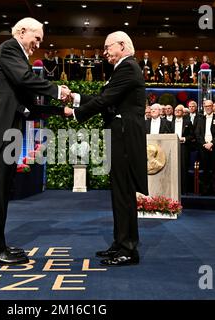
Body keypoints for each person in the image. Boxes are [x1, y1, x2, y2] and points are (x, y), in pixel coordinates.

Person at [0, 17, 71, 266]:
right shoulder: (9, 49)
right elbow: (27, 81)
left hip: (8, 136)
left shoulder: (16, 58)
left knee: (2, 192)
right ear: (22, 31)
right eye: (37, 38)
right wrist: (58, 90)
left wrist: (61, 111)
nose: (38, 44)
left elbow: (28, 105)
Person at [64, 31, 148, 267]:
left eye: (107, 47)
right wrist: (76, 97)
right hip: (118, 136)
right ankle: (120, 243)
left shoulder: (128, 67)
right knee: (119, 193)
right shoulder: (122, 69)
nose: (104, 52)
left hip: (124, 137)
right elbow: (103, 96)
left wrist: (75, 112)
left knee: (123, 194)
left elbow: (105, 101)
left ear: (122, 45)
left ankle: (128, 249)